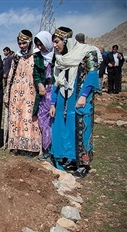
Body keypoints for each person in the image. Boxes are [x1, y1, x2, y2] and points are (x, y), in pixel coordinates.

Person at [49, 26, 100, 178]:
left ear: (66, 40)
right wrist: (53, 102)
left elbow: (92, 76)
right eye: (53, 42)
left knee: (80, 128)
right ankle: (71, 158)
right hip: (63, 98)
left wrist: (84, 95)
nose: (55, 45)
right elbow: (56, 82)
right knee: (66, 128)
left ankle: (83, 164)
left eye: (57, 42)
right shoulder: (60, 59)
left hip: (79, 97)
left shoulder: (87, 52)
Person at [3, 29, 42, 158]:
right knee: (16, 119)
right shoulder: (16, 57)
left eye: (24, 43)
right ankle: (18, 145)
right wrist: (7, 93)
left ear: (30, 42)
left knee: (29, 118)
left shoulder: (37, 56)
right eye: (20, 43)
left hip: (30, 93)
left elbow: (39, 75)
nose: (22, 46)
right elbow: (10, 76)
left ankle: (31, 148)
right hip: (16, 92)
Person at [34, 31, 55, 161]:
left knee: (54, 121)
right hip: (43, 93)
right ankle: (46, 149)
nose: (40, 47)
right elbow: (35, 73)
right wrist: (39, 84)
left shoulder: (57, 57)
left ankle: (54, 151)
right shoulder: (38, 57)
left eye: (41, 44)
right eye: (38, 45)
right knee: (43, 120)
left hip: (55, 91)